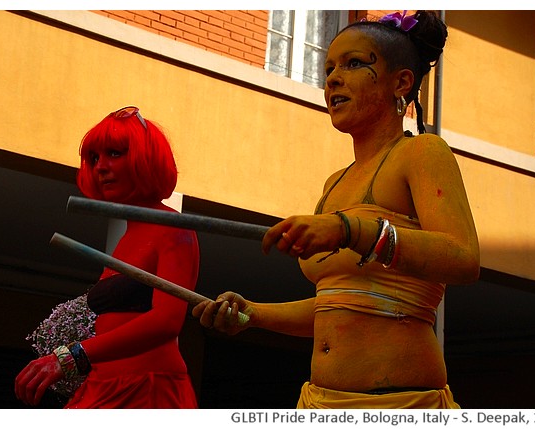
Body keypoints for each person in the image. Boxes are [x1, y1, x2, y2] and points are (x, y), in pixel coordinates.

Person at [193, 11, 480, 409]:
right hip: (317, 400)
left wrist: (351, 230)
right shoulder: (333, 185)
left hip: (398, 403)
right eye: (329, 68)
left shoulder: (422, 151)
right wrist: (253, 314)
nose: (332, 78)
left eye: (355, 64)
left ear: (402, 82)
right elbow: (337, 308)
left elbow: (464, 258)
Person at [15, 106, 200, 408]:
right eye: (94, 158)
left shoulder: (173, 227)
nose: (100, 166)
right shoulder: (127, 238)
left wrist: (72, 356)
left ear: (145, 158)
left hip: (147, 390)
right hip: (103, 385)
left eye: (114, 153)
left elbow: (167, 321)